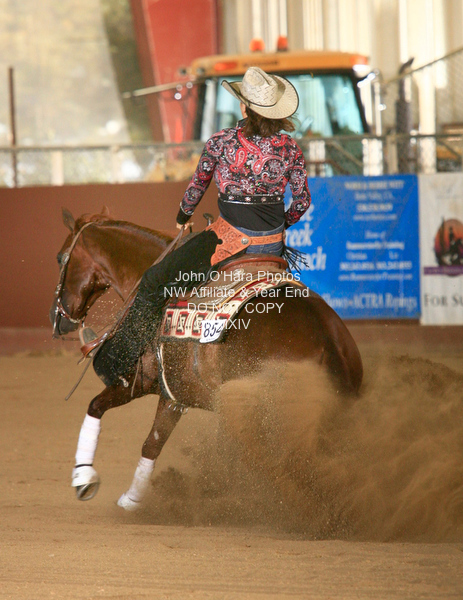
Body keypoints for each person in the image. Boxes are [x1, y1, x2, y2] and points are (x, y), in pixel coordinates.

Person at [89, 66, 312, 387]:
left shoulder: (221, 142)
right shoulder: (290, 148)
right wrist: (277, 226)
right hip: (274, 246)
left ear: (244, 107)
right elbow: (302, 201)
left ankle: (119, 362)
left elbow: (197, 187)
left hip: (229, 242)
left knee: (154, 280)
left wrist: (183, 216)